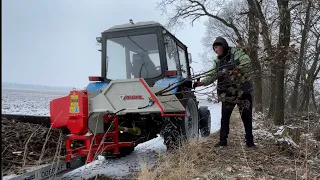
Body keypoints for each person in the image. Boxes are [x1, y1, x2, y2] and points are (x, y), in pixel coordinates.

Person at [193, 36, 256, 148]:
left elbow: (247, 65)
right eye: (214, 48)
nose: (215, 50)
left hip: (243, 92)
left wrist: (233, 71)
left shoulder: (237, 53)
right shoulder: (217, 61)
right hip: (227, 94)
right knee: (225, 118)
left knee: (247, 118)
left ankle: (250, 142)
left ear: (223, 45)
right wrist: (201, 83)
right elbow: (212, 76)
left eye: (217, 47)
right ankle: (223, 141)